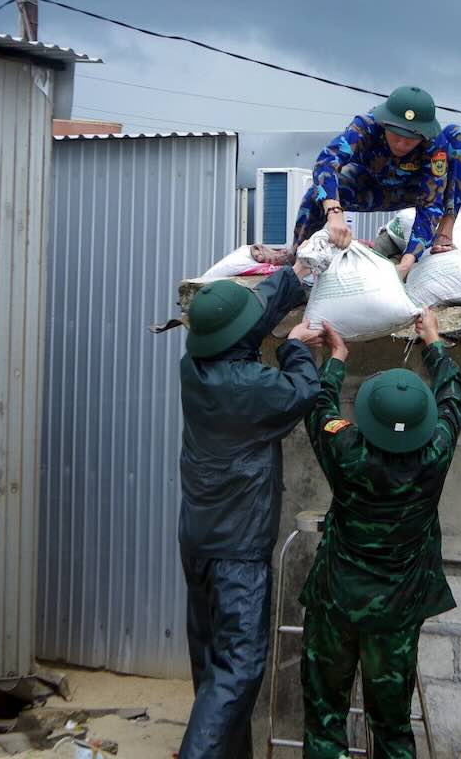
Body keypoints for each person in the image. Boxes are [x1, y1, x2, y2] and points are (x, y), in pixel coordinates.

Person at [297, 310, 461, 759]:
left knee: (325, 723)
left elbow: (318, 407)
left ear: (368, 416)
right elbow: (453, 402)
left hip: (336, 605)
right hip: (395, 616)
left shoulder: (346, 449)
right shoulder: (435, 454)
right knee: (391, 730)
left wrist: (336, 357)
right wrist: (434, 344)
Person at [176, 261, 326, 759]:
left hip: (199, 538)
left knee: (212, 666)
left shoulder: (193, 366)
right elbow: (303, 391)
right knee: (239, 668)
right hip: (238, 549)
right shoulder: (249, 387)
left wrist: (296, 273)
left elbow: (248, 314)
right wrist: (294, 347)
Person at [288, 86, 461, 278]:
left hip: (412, 190)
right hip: (370, 185)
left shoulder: (435, 143)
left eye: (410, 140)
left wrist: (407, 262)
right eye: (396, 136)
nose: (401, 144)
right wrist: (334, 212)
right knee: (315, 194)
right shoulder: (366, 125)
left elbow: (430, 204)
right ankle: (296, 262)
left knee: (459, 134)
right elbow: (326, 161)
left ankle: (445, 232)